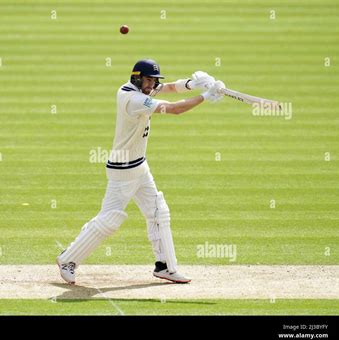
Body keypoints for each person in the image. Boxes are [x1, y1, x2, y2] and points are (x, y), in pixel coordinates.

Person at [57, 58, 225, 284]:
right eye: (148, 80)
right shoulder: (133, 98)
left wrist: (192, 84)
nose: (152, 85)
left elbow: (167, 88)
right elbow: (174, 109)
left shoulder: (141, 89)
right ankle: (68, 259)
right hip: (123, 170)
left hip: (140, 166)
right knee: (110, 220)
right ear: (137, 78)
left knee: (158, 212)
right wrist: (206, 96)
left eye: (154, 80)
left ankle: (165, 266)